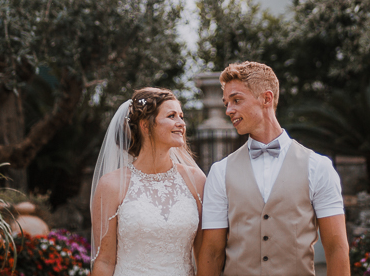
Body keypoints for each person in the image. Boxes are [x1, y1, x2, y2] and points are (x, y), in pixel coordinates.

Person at [197, 61, 351, 276]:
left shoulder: (318, 167)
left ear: (266, 99)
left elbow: (336, 248)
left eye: (237, 100)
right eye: (226, 104)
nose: (229, 110)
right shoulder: (220, 171)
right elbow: (212, 252)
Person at [89, 87, 207, 276]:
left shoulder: (196, 180)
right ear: (145, 125)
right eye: (171, 116)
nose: (181, 123)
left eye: (181, 116)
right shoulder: (111, 185)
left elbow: (204, 256)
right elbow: (104, 260)